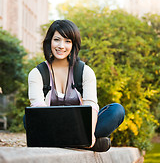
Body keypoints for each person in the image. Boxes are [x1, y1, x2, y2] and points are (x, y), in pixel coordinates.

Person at [27, 19, 125, 152]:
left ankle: (77, 142)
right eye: (57, 40)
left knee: (116, 110)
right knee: (28, 118)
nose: (61, 46)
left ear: (73, 45)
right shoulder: (37, 73)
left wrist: (89, 135)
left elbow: (91, 105)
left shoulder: (85, 71)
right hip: (51, 128)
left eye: (67, 41)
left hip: (81, 129)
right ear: (49, 41)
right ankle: (81, 144)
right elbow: (39, 110)